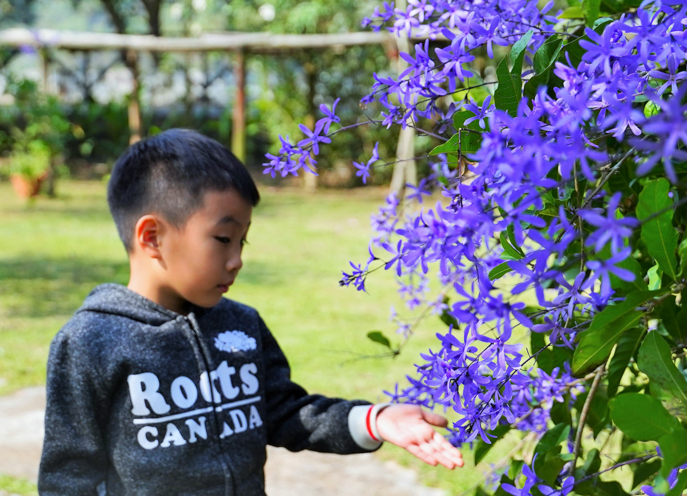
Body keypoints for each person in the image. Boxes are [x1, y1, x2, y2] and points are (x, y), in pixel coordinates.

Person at [38, 129, 463, 496]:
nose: (237, 259)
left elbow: (286, 412)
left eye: (244, 241)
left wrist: (376, 420)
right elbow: (68, 476)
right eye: (223, 239)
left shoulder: (241, 324)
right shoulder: (91, 342)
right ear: (152, 237)